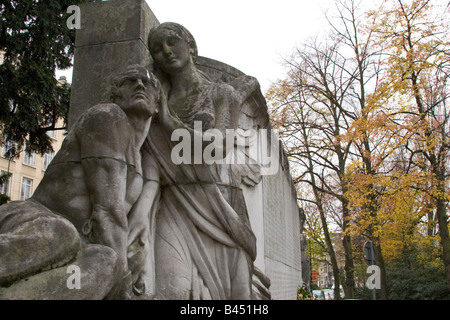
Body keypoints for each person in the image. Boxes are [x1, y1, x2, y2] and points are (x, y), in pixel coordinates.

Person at [0, 65, 162, 299]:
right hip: (32, 220)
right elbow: (107, 210)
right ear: (115, 94)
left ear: (157, 105)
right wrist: (125, 282)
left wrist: (122, 274)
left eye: (148, 84)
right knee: (60, 232)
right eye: (130, 81)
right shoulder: (108, 116)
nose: (139, 85)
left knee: (106, 262)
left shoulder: (140, 157)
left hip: (77, 241)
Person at [145, 22, 261, 299]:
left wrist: (167, 119)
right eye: (157, 49)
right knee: (172, 290)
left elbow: (218, 147)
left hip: (220, 201)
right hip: (173, 202)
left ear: (192, 47)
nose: (166, 51)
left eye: (172, 42)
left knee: (237, 296)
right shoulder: (156, 97)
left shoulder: (222, 94)